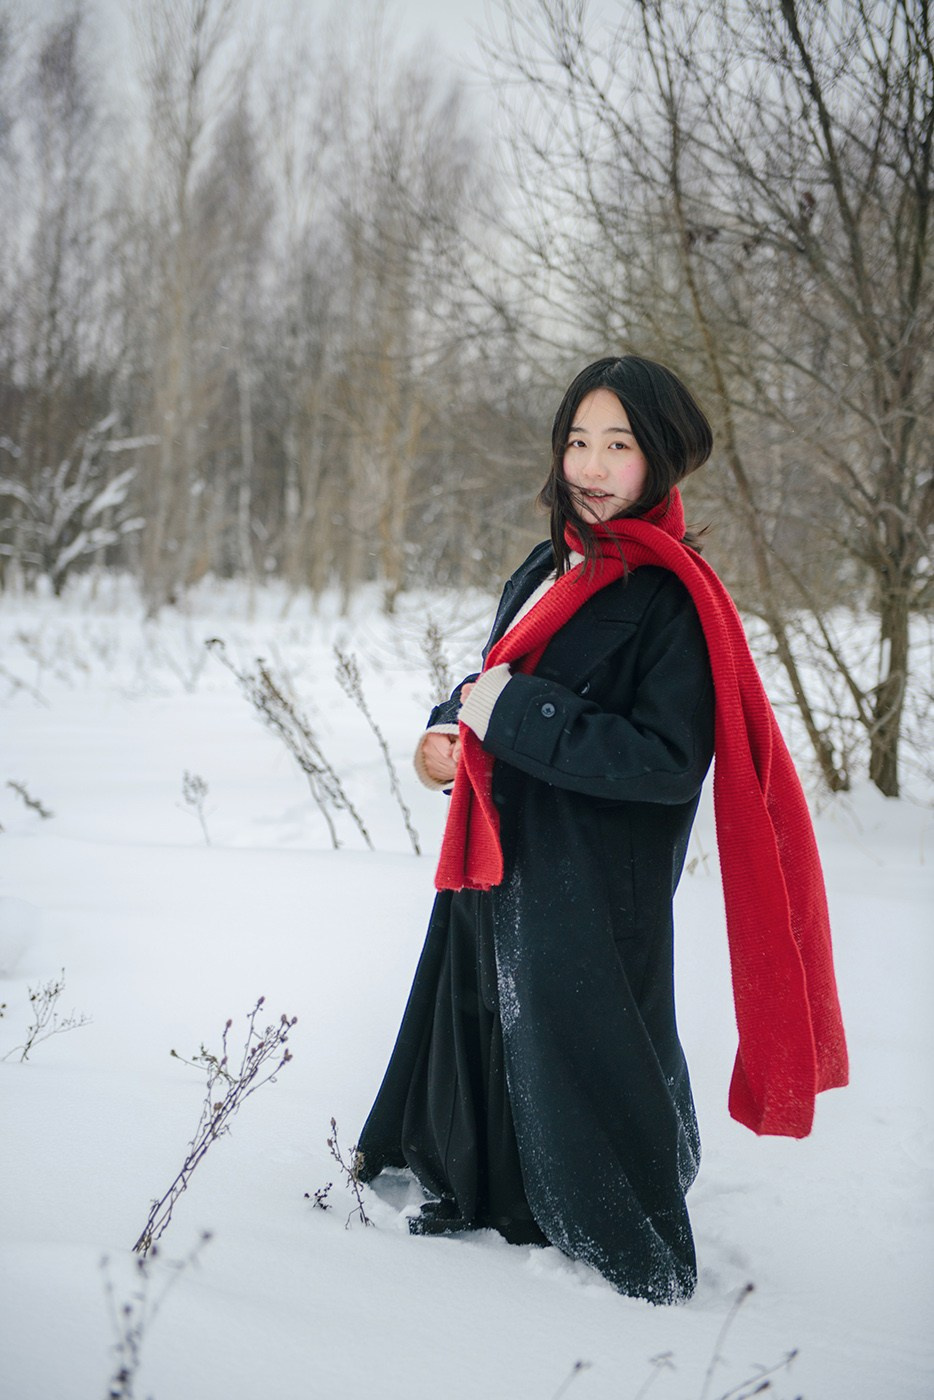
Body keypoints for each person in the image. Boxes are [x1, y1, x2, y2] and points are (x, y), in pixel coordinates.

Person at [354, 354, 848, 1304]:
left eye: (617, 445)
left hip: (596, 878)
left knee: (591, 1050)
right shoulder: (548, 567)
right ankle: (499, 1197)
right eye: (577, 441)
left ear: (661, 460)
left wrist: (517, 718)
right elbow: (494, 680)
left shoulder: (675, 598)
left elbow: (665, 759)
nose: (590, 463)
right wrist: (446, 729)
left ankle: (622, 1233)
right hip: (504, 855)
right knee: (491, 1023)